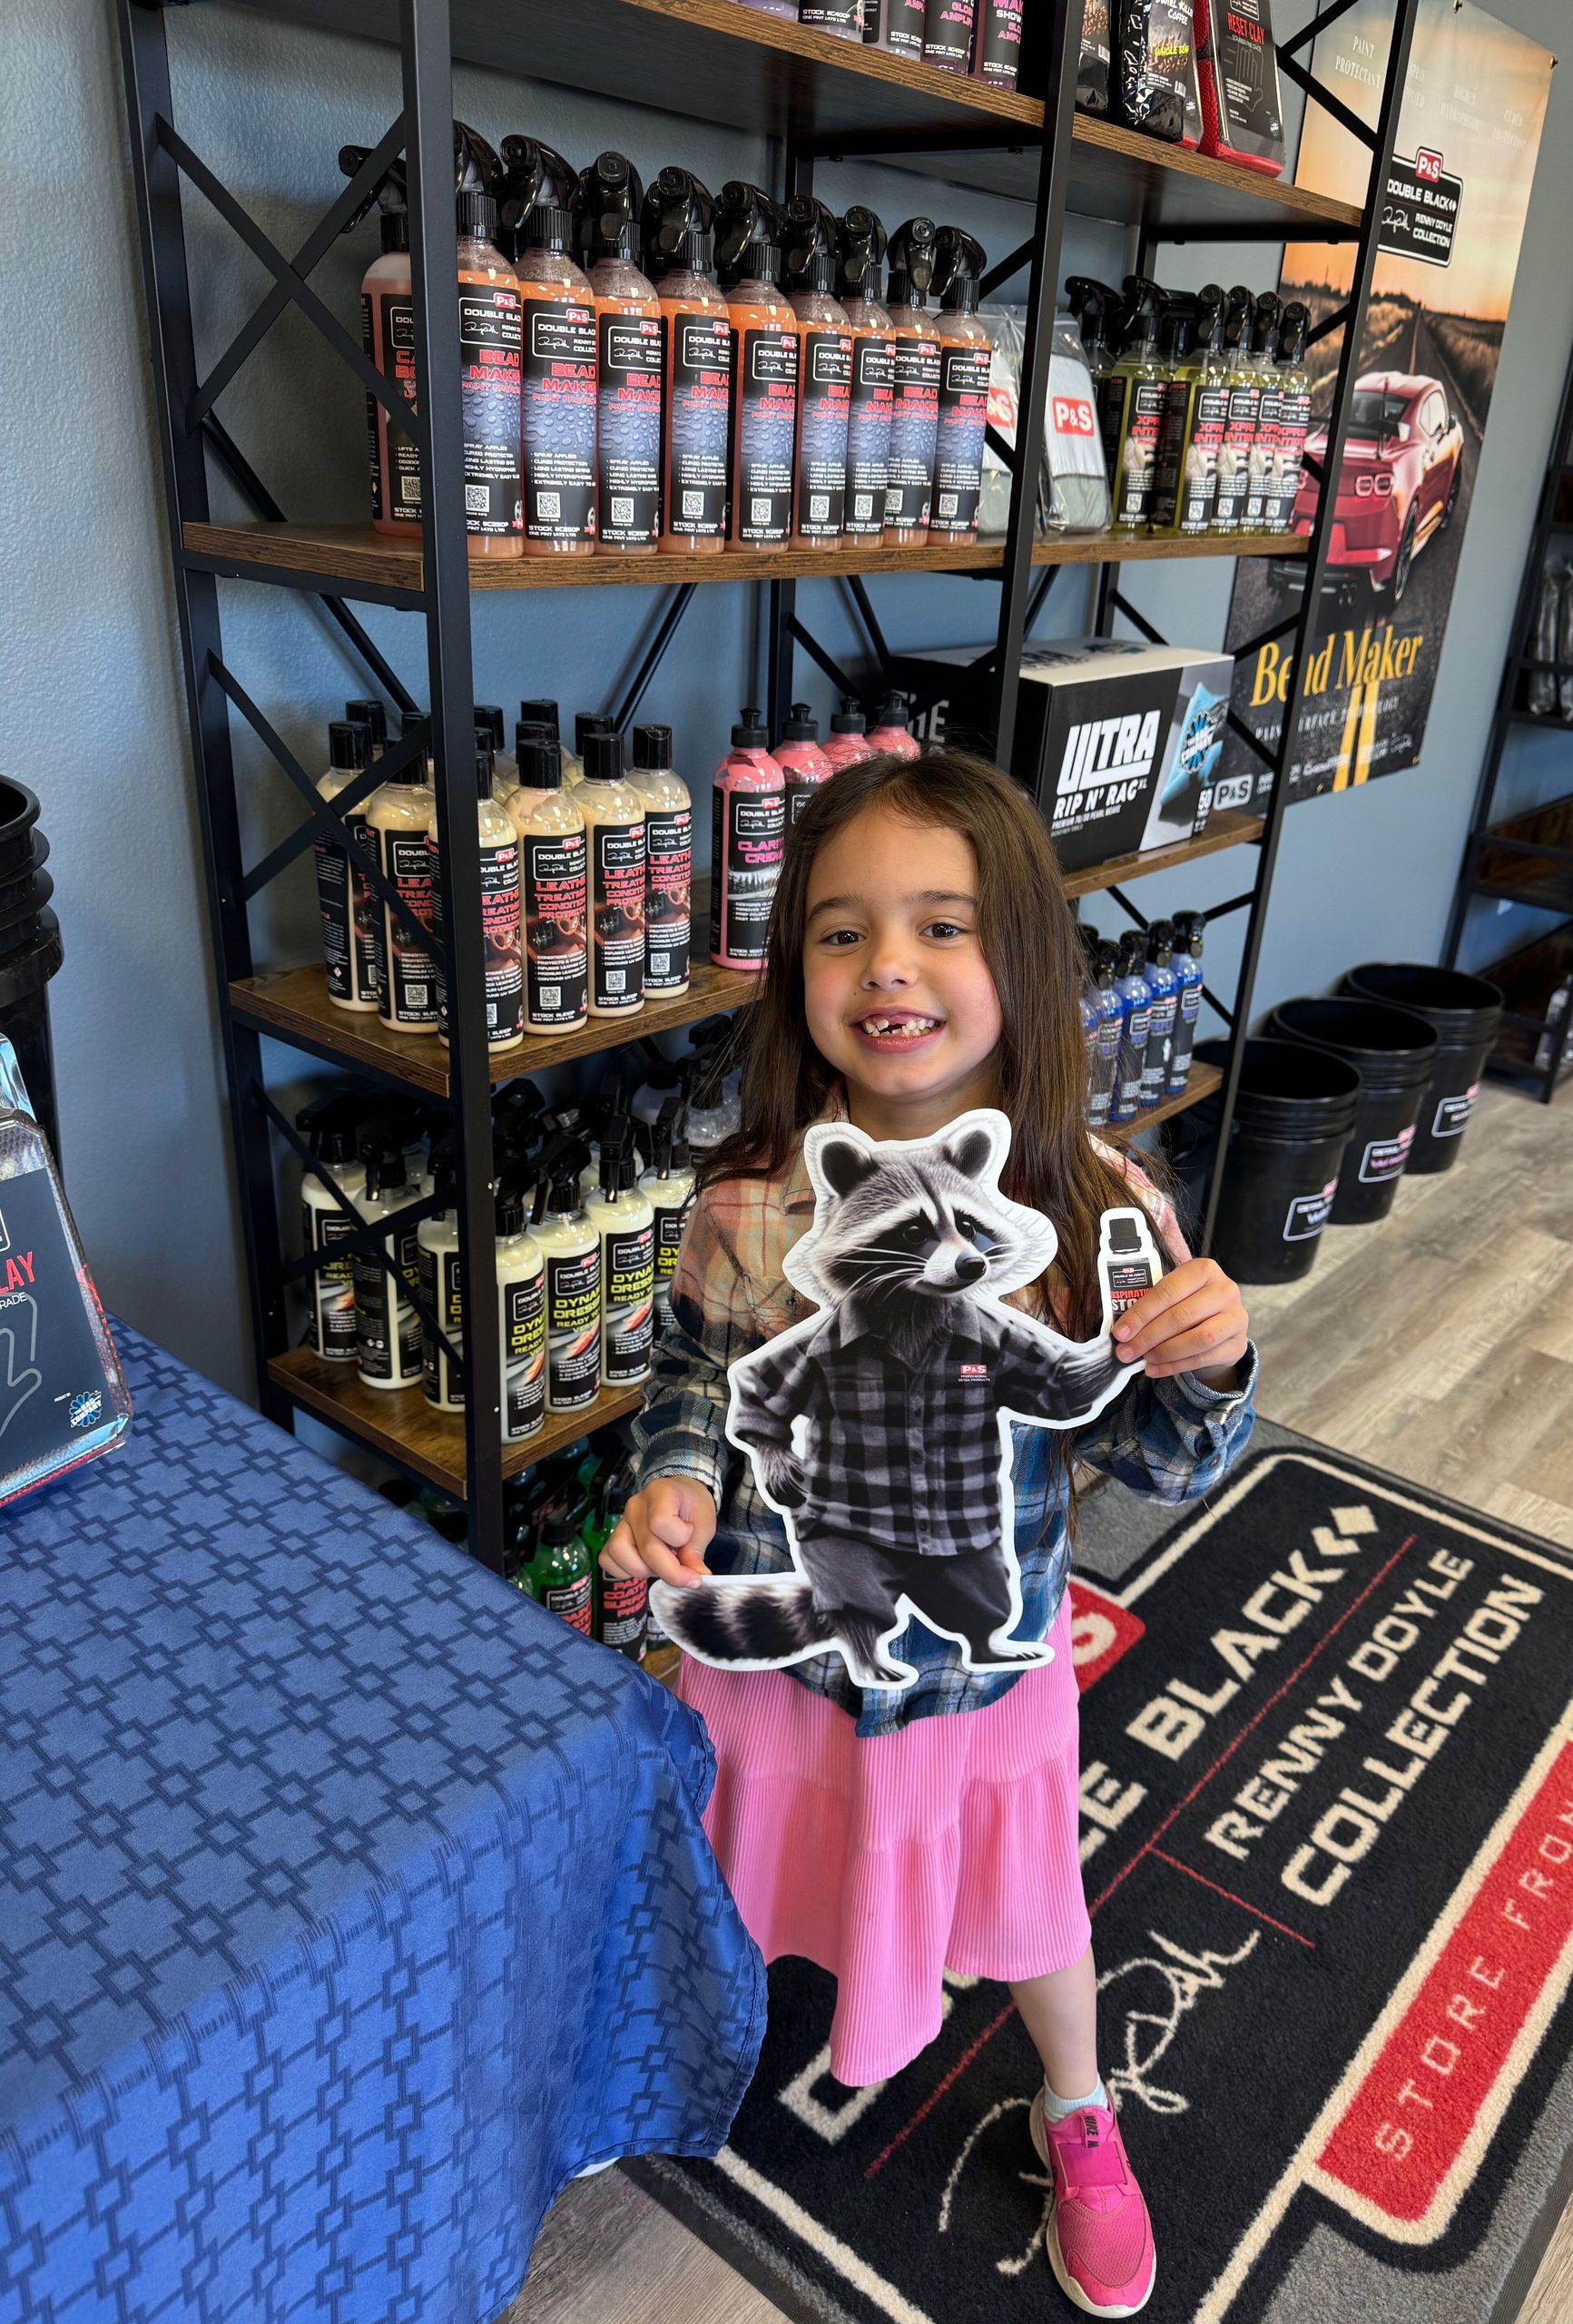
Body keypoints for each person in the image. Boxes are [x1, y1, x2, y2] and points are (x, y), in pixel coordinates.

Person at [604, 750, 1254, 2317]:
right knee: (742, 1872)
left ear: (1020, 958)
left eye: (941, 925)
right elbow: (699, 1370)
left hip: (975, 1677)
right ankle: (686, 2033)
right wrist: (678, 1479)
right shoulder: (752, 1201)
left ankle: (1079, 2101)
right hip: (778, 1657)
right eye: (841, 931)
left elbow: (1168, 1459)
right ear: (795, 974)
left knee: (1030, 1909)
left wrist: (1215, 1360)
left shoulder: (1095, 1206)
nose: (887, 964)